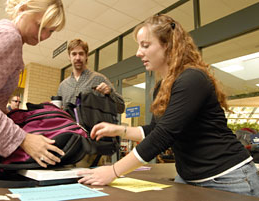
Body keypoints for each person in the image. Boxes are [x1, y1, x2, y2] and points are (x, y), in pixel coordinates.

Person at [78, 14, 259, 197]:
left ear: (168, 45)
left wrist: (113, 171)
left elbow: (163, 136)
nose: (138, 53)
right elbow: (155, 129)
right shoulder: (161, 87)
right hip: (189, 178)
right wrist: (118, 130)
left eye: (145, 45)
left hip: (228, 178)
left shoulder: (192, 78)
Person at [0, 1, 65, 200]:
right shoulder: (9, 37)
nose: (44, 36)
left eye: (51, 31)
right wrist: (24, 139)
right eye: (41, 26)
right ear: (23, 9)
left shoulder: (0, 30)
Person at [57, 39, 125, 114]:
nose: (78, 58)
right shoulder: (63, 86)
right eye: (74, 54)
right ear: (69, 57)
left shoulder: (99, 79)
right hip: (68, 126)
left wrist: (110, 93)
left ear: (86, 55)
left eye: (81, 53)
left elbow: (121, 108)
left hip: (93, 125)